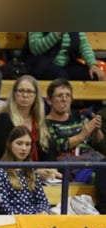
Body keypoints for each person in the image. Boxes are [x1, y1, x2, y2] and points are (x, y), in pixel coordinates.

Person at [45, 78, 106, 211]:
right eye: (60, 95)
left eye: (67, 95)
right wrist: (82, 135)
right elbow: (55, 146)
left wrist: (96, 130)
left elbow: (99, 144)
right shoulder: (46, 123)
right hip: (72, 167)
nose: (64, 99)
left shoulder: (80, 117)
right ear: (49, 100)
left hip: (96, 160)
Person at [0, 75, 58, 180]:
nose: (25, 95)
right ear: (14, 94)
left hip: (40, 177)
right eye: (21, 91)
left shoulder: (40, 121)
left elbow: (49, 151)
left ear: (36, 95)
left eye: (29, 91)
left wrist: (51, 169)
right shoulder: (4, 120)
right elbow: (2, 155)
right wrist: (33, 172)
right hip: (11, 176)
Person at [0, 125, 51, 215]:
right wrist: (30, 216)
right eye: (19, 143)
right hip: (12, 220)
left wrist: (43, 212)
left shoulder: (31, 170)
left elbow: (43, 201)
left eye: (27, 144)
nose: (24, 148)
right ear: (10, 144)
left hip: (35, 218)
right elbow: (3, 207)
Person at [24, 33, 106, 81]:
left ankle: (91, 110)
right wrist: (56, 33)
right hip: (41, 64)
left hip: (67, 64)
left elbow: (83, 44)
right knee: (61, 77)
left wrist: (92, 64)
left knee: (93, 76)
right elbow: (35, 49)